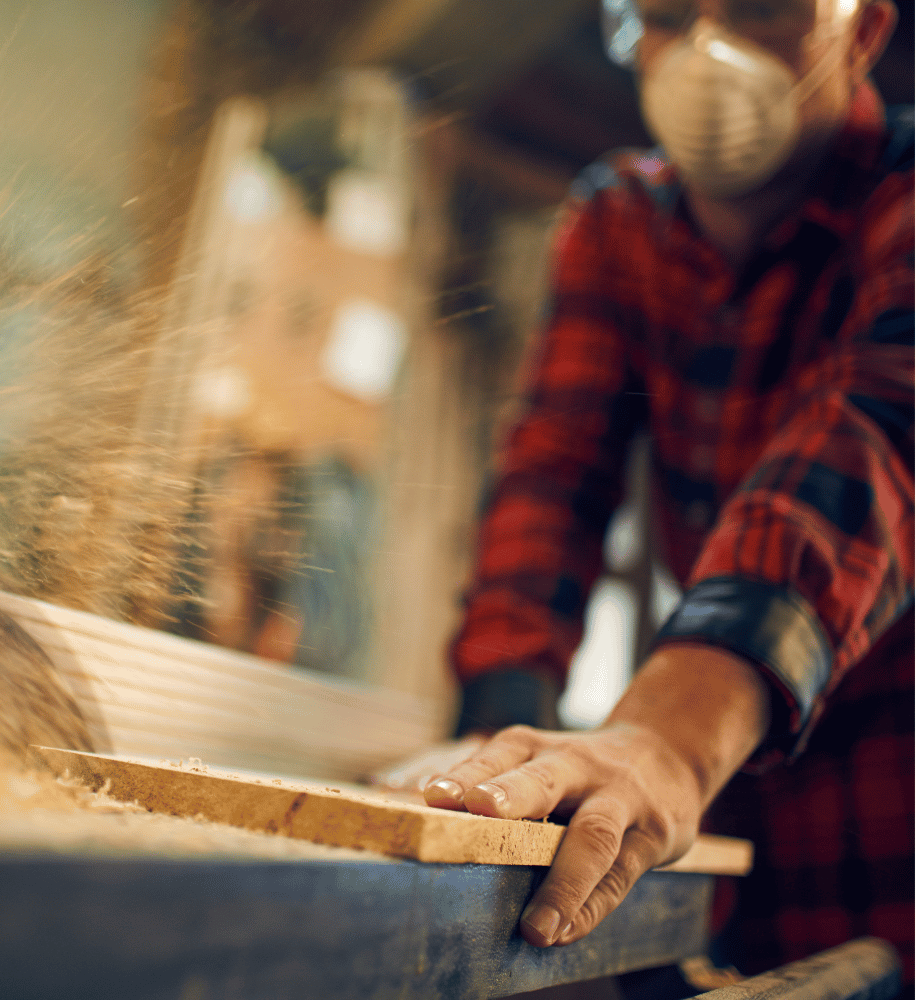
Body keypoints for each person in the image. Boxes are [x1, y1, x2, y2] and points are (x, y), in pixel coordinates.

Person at [382, 0, 913, 983]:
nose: (707, 48)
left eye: (760, 7)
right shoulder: (617, 225)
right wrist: (498, 734)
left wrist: (667, 740)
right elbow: (551, 484)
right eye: (666, 13)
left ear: (864, 28)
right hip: (740, 810)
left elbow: (873, 447)